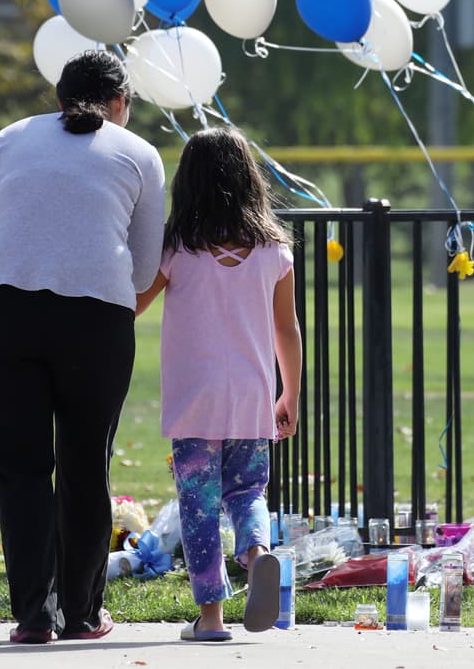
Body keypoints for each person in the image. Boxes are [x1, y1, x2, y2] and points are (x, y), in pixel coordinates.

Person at [0, 50, 166, 644]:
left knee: (19, 469)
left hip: (5, 309)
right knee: (86, 466)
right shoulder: (140, 155)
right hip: (97, 316)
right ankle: (83, 614)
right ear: (120, 103)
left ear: (58, 97)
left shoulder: (5, 140)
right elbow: (145, 269)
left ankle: (33, 615)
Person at [136, 126, 302, 642]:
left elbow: (135, 303)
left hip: (193, 399)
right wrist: (291, 392)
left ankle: (211, 619)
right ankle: (257, 553)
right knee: (248, 489)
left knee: (199, 504)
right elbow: (287, 328)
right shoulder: (274, 250)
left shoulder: (177, 248)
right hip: (252, 394)